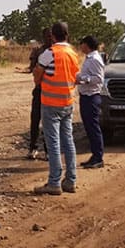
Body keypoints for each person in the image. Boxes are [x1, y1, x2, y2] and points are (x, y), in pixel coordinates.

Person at [33, 22, 80, 195]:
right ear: (67, 35)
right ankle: (71, 180)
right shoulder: (73, 54)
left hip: (51, 103)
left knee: (53, 143)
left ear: (52, 35)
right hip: (67, 102)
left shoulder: (49, 53)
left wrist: (39, 82)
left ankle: (54, 183)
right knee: (68, 141)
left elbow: (38, 73)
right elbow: (75, 77)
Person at [77, 35, 106, 169]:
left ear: (86, 45)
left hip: (91, 96)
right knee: (89, 127)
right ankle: (94, 156)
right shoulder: (90, 58)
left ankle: (98, 157)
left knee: (93, 128)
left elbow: (98, 79)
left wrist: (82, 79)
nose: (80, 46)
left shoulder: (94, 59)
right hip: (86, 95)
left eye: (82, 43)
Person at [27, 28, 53, 159]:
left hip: (52, 92)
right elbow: (32, 69)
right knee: (35, 119)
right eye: (46, 36)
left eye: (51, 36)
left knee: (49, 122)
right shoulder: (38, 51)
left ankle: (49, 150)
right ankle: (33, 148)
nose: (49, 38)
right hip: (39, 90)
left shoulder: (57, 52)